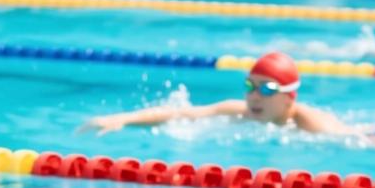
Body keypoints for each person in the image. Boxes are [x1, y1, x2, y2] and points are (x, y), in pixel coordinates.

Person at [81, 51, 351, 135]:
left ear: (290, 97)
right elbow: (180, 114)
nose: (254, 96)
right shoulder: (238, 111)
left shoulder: (313, 125)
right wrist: (123, 119)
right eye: (250, 86)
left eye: (267, 89)